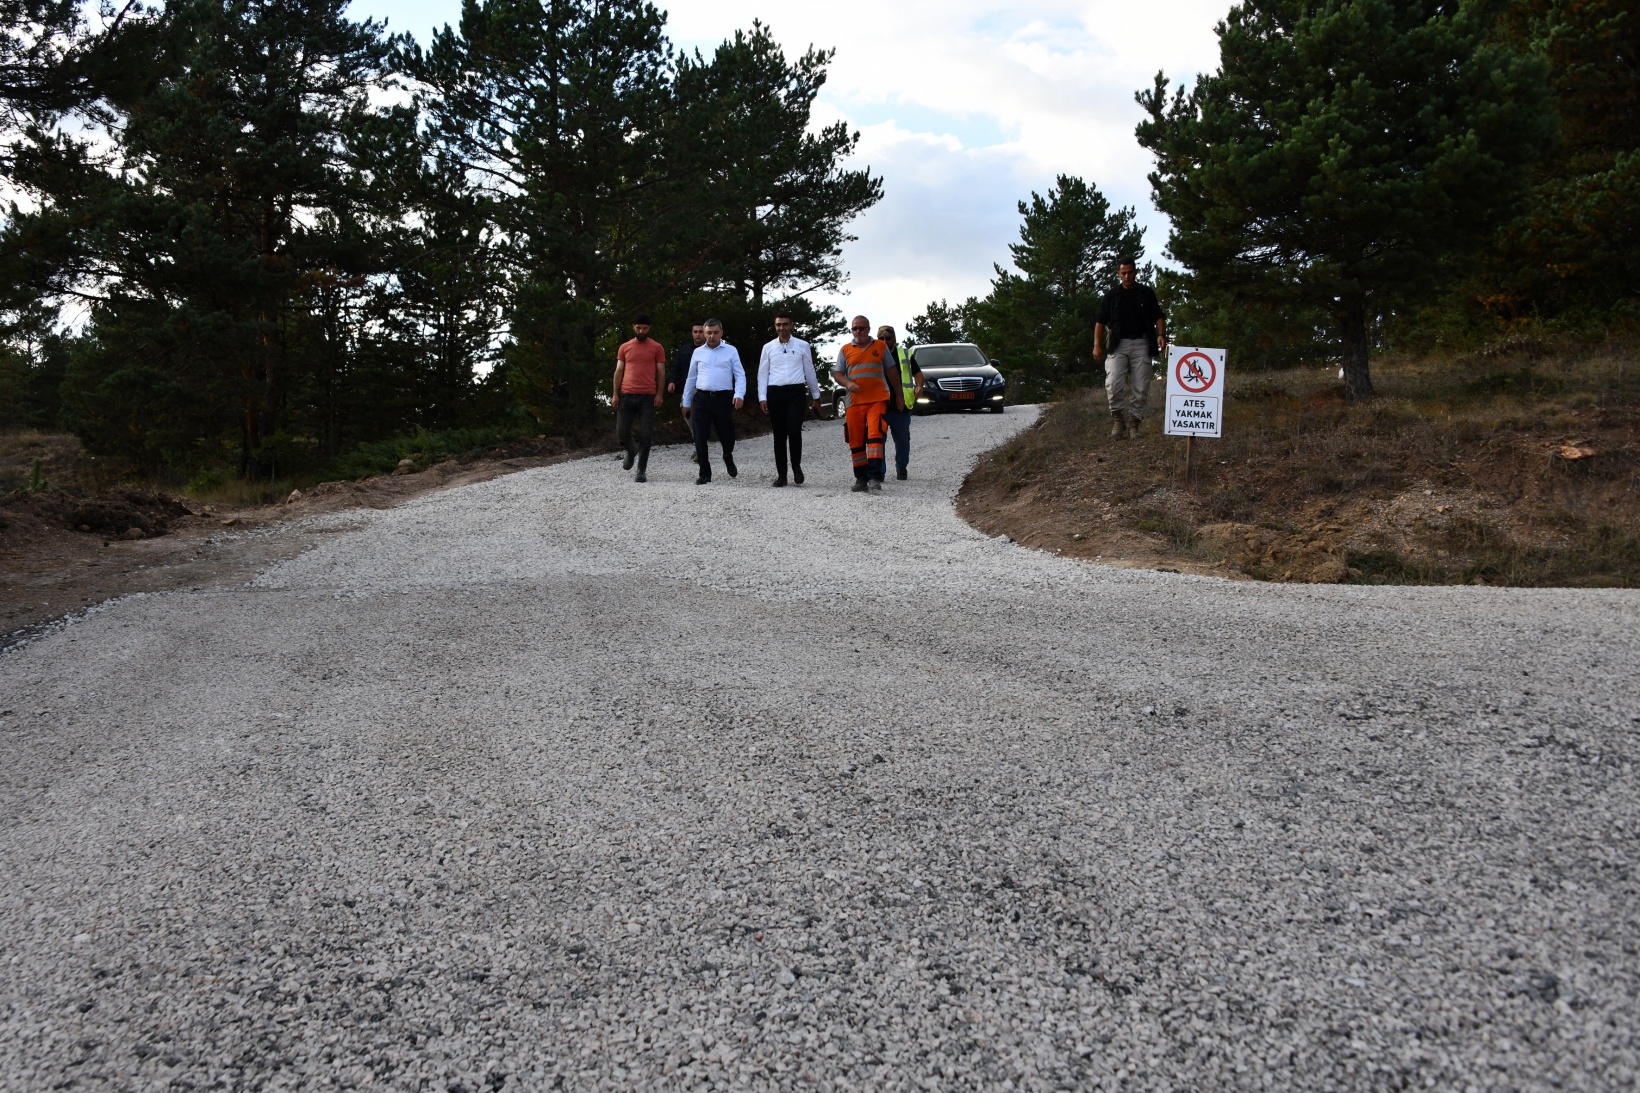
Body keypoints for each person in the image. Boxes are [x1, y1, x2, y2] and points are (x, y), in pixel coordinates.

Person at [1093, 258, 1166, 439]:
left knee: (1141, 386)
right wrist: (1096, 345)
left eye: (1130, 272)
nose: (1127, 276)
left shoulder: (1146, 293)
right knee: (1113, 384)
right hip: (1118, 344)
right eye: (1123, 273)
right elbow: (1100, 321)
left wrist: (1161, 335)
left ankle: (1134, 424)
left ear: (1135, 272)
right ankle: (1118, 419)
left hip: (1142, 343)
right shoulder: (1112, 295)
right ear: (1119, 274)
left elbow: (1158, 316)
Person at [758, 312, 823, 487]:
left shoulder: (802, 345)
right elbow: (762, 373)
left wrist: (816, 396)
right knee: (779, 435)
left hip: (795, 392)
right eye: (778, 325)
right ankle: (782, 475)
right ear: (775, 326)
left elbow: (809, 371)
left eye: (785, 324)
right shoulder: (768, 347)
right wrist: (762, 397)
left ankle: (796, 466)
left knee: (794, 430)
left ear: (792, 325)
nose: (782, 328)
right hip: (775, 393)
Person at [681, 318, 745, 485]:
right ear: (704, 333)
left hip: (723, 398)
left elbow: (740, 375)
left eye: (715, 332)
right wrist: (686, 401)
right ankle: (705, 473)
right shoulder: (698, 352)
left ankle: (727, 455)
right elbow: (691, 378)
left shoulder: (731, 351)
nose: (712, 336)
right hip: (701, 398)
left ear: (721, 333)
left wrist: (739, 394)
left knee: (727, 435)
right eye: (708, 333)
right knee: (700, 436)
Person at [835, 315, 894, 492]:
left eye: (861, 328)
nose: (858, 332)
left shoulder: (880, 346)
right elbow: (838, 374)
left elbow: (891, 371)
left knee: (875, 436)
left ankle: (874, 477)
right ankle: (860, 478)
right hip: (854, 402)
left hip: (877, 399)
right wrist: (848, 383)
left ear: (868, 329)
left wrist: (898, 395)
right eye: (854, 328)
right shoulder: (845, 350)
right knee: (855, 439)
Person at [612, 313, 667, 482]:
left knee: (646, 435)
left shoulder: (657, 347)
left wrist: (659, 394)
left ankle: (641, 471)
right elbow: (619, 371)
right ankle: (631, 450)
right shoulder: (625, 347)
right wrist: (615, 394)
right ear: (633, 327)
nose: (641, 331)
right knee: (622, 431)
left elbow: (661, 372)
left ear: (649, 328)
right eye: (638, 327)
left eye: (644, 328)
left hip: (647, 397)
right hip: (627, 395)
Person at [877, 324, 923, 480]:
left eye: (888, 338)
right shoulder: (873, 355)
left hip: (901, 406)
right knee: (878, 441)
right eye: (881, 338)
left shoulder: (905, 354)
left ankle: (901, 467)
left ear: (894, 339)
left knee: (902, 440)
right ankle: (879, 472)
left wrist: (919, 386)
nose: (884, 341)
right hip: (879, 406)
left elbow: (918, 373)